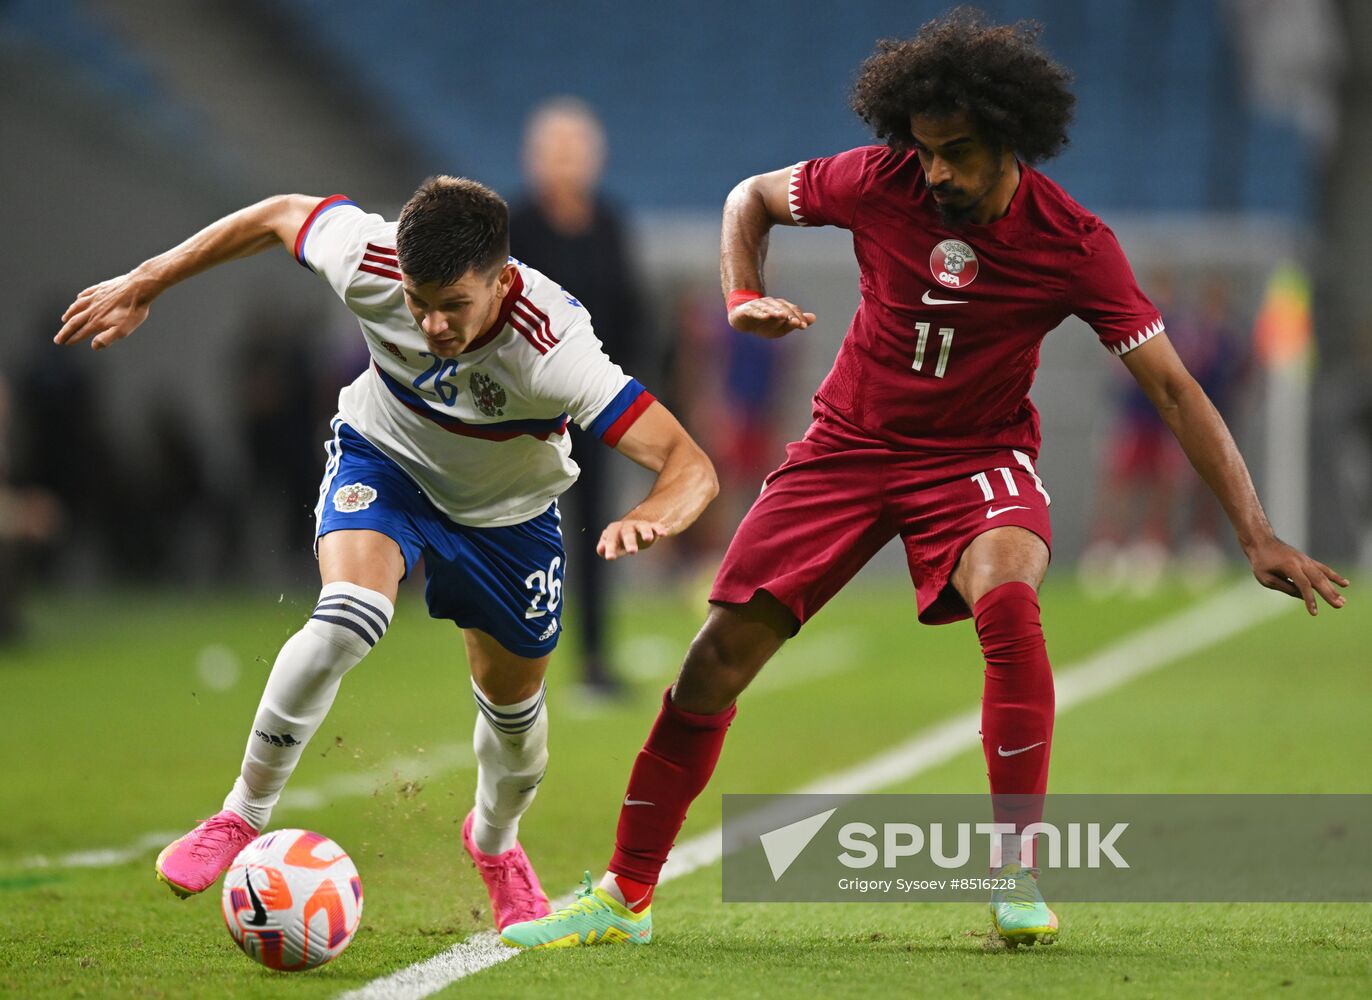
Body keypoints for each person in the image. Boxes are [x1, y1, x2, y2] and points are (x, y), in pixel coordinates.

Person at [500, 10, 1347, 951]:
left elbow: (1176, 391)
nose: (935, 170)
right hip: (847, 447)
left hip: (978, 457)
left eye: (959, 153)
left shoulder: (1075, 244)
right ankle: (625, 893)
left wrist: (1255, 530)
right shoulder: (880, 178)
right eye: (925, 149)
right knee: (713, 661)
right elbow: (750, 198)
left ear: (1011, 140)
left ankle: (1015, 874)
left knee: (1010, 600)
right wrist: (743, 293)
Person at [54, 176, 717, 931]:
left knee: (516, 730)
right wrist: (148, 280)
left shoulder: (554, 346)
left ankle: (495, 845)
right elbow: (277, 214)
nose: (431, 324)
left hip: (508, 517)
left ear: (502, 282)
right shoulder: (368, 259)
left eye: (453, 306)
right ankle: (241, 813)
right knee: (347, 616)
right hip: (387, 462)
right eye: (417, 301)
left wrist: (655, 514)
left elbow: (689, 465)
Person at [509, 97, 648, 693]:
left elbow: (632, 312)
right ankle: (513, 663)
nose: (567, 162)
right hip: (518, 411)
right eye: (555, 150)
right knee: (517, 534)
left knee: (596, 535)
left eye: (577, 150)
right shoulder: (513, 224)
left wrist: (622, 393)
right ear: (533, 158)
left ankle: (593, 661)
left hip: (591, 408)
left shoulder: (611, 223)